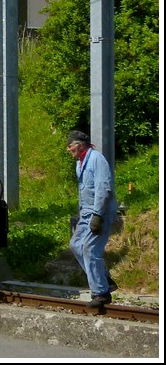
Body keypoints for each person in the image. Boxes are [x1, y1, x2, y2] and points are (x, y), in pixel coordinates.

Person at [66, 129, 119, 308]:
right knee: (75, 245)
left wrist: (98, 215)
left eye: (70, 145)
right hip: (86, 213)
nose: (68, 149)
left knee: (90, 249)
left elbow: (104, 189)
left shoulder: (96, 159)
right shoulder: (80, 163)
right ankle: (104, 279)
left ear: (80, 145)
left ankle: (101, 293)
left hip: (100, 213)